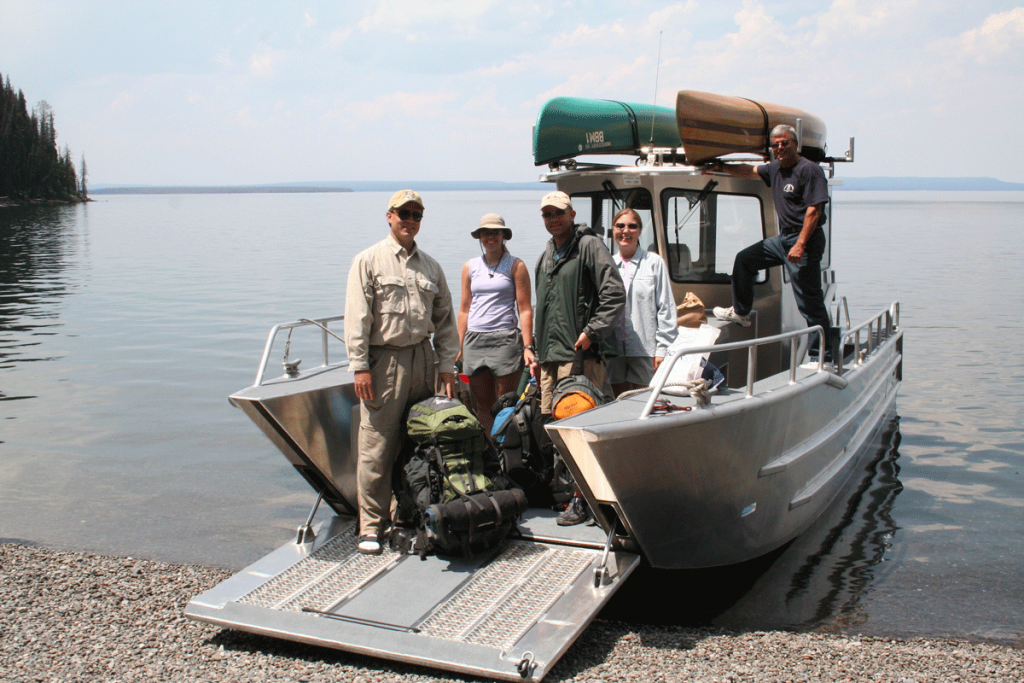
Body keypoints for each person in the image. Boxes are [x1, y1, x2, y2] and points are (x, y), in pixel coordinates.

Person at [344, 189, 459, 555]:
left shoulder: (431, 267)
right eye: (404, 213)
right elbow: (357, 317)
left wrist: (445, 366)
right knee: (376, 445)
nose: (410, 220)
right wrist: (360, 366)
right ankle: (371, 527)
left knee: (420, 441)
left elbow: (444, 322)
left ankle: (409, 514)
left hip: (422, 361)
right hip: (384, 364)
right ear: (389, 216)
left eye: (417, 214)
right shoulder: (368, 261)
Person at [531, 190, 625, 526]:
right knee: (554, 428)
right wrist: (534, 348)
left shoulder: (589, 246)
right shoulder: (546, 255)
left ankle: (584, 500)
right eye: (547, 214)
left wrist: (591, 333)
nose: (553, 219)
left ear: (572, 214)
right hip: (550, 358)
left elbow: (614, 293)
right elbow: (544, 306)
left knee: (580, 428)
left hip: (580, 356)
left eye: (558, 213)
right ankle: (571, 492)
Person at [710, 124, 835, 361]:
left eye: (784, 143)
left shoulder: (810, 170)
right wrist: (720, 166)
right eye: (775, 144)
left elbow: (814, 211)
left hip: (805, 239)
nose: (779, 147)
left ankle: (822, 358)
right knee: (745, 260)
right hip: (784, 238)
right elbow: (749, 170)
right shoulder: (775, 168)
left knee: (810, 302)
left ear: (795, 145)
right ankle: (741, 312)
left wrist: (799, 244)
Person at [457, 213, 534, 436]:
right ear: (479, 236)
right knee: (482, 405)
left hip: (505, 340)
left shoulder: (516, 265)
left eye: (495, 232)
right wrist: (460, 346)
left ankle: (508, 455)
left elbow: (525, 309)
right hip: (474, 340)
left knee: (506, 404)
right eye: (485, 233)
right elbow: (464, 309)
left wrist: (527, 346)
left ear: (503, 236)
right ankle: (492, 454)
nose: (490, 237)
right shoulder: (469, 267)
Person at [607, 207, 678, 396]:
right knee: (618, 403)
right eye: (620, 226)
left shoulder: (654, 263)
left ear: (639, 231)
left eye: (632, 226)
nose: (625, 231)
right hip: (613, 352)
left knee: (644, 403)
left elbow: (666, 309)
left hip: (645, 351)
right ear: (613, 229)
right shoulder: (607, 265)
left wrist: (662, 350)